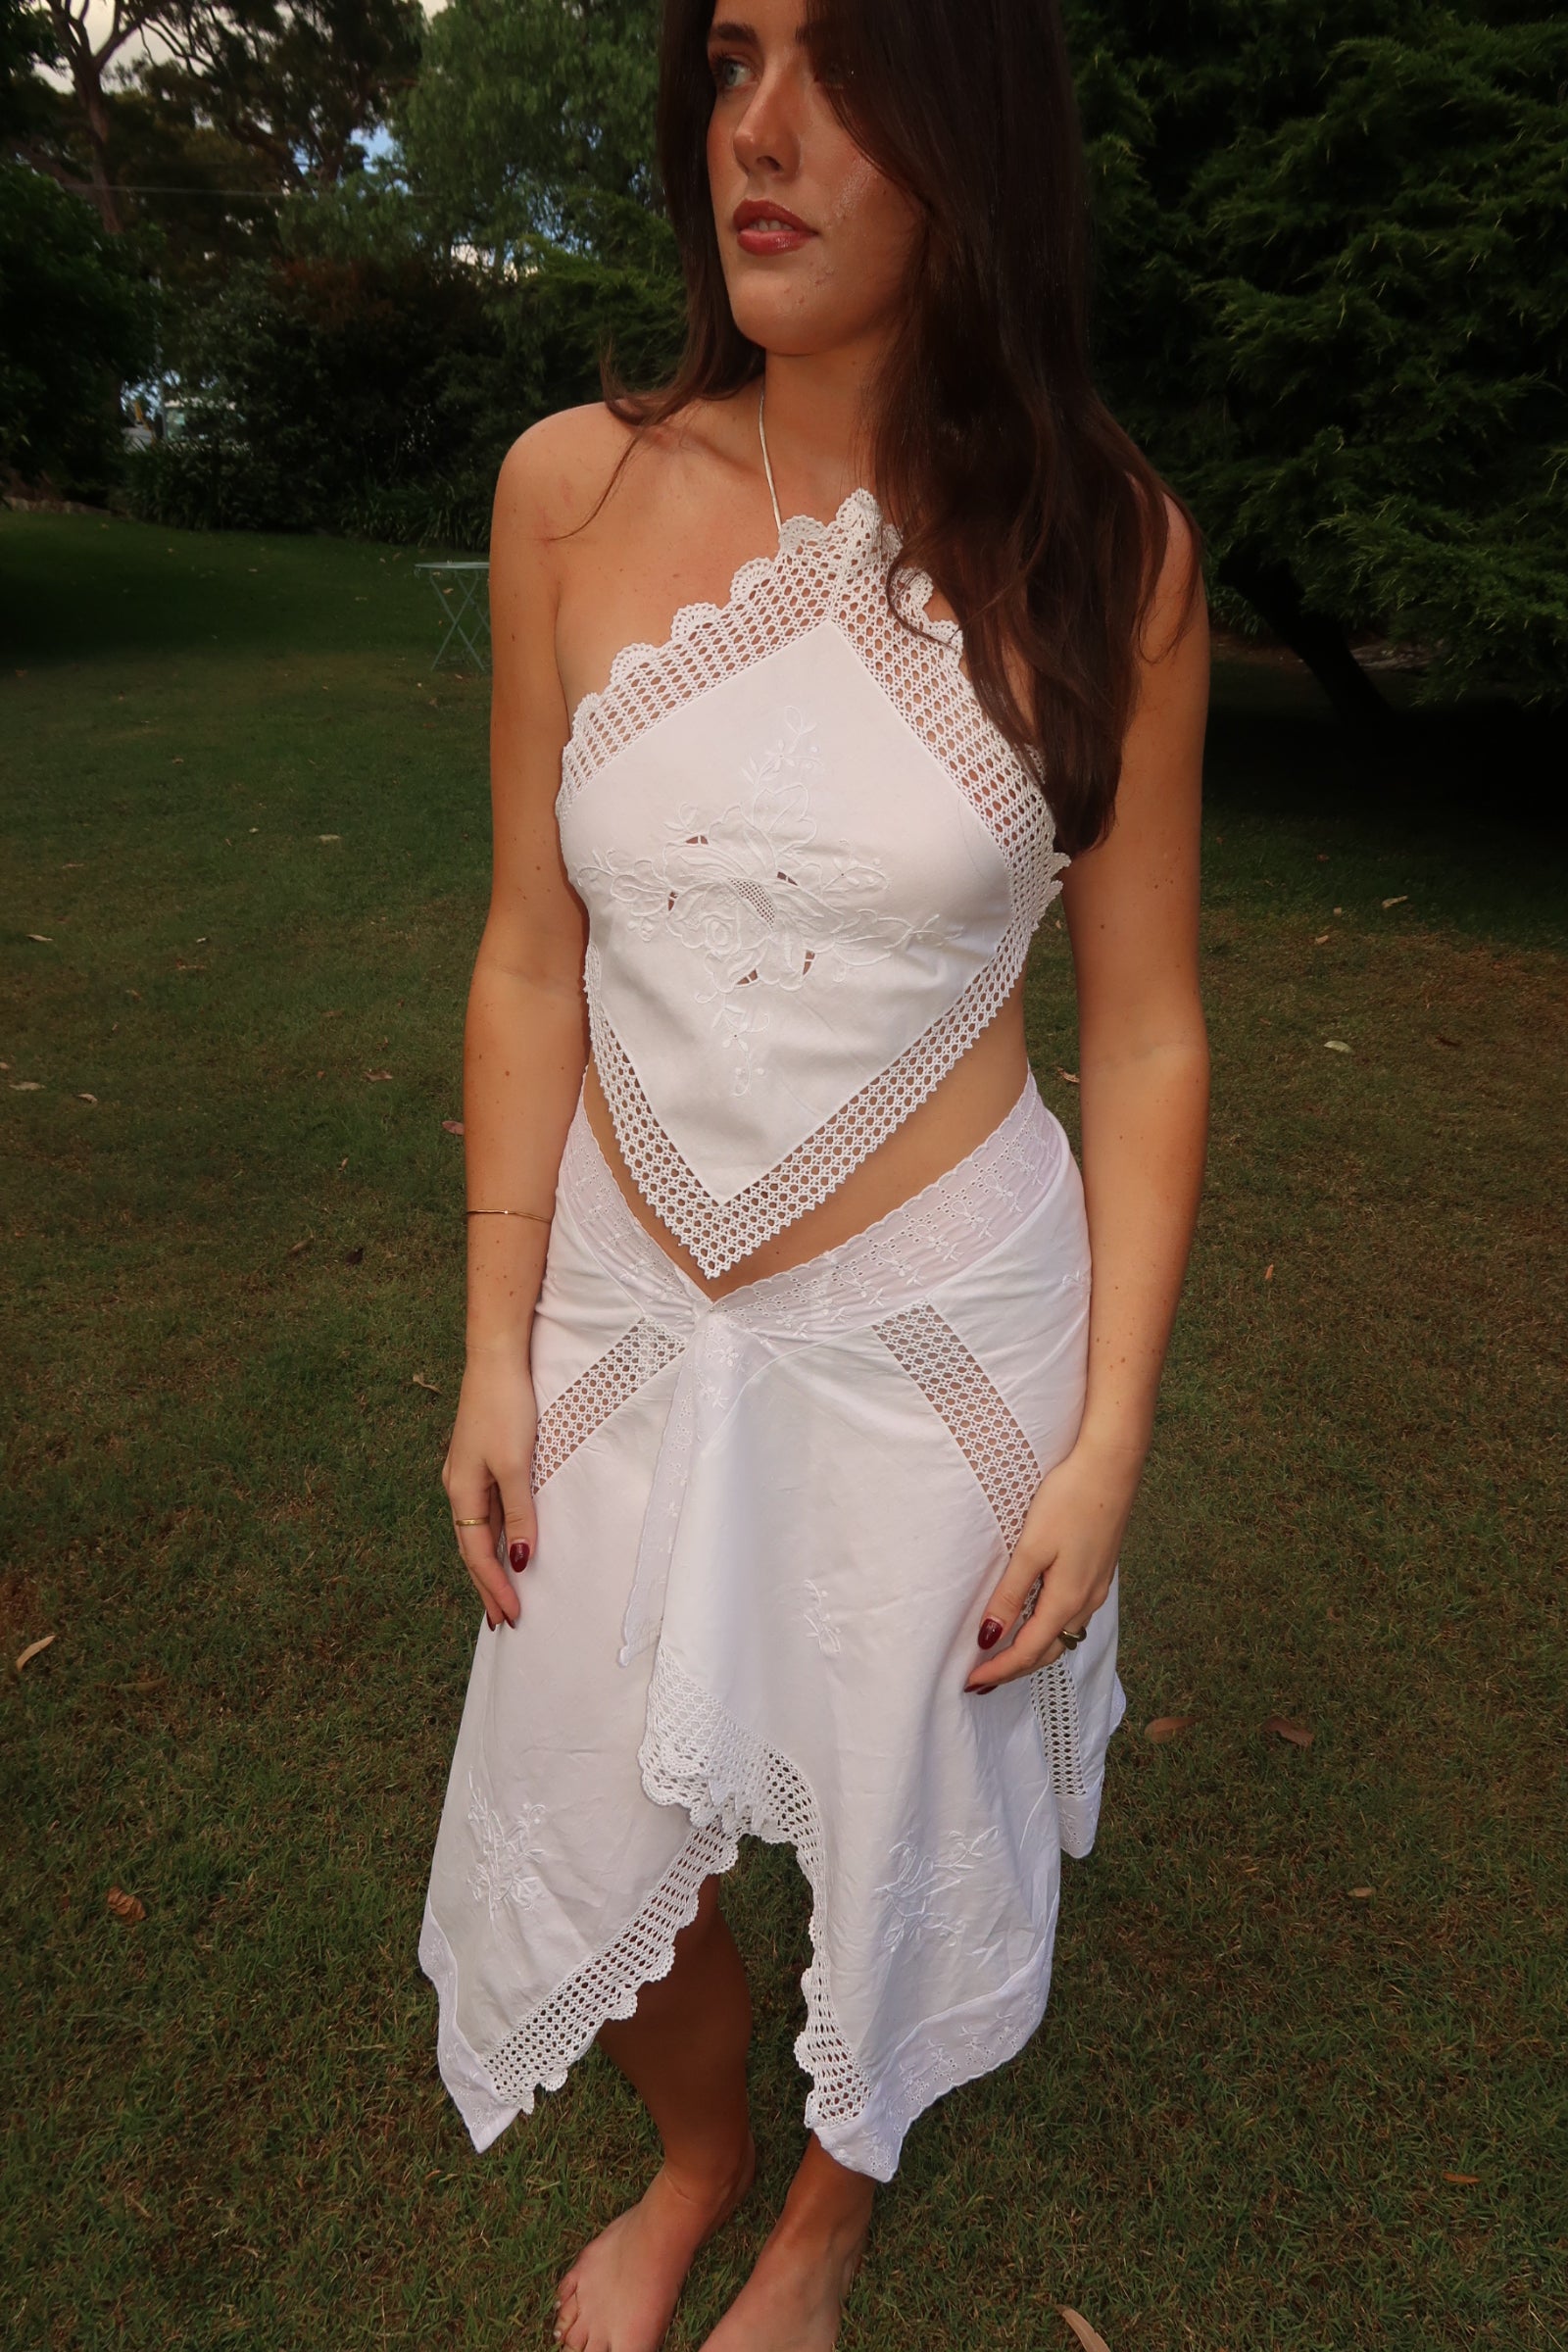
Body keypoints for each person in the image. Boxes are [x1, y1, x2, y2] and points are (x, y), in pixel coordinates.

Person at [420, 0, 1209, 2344]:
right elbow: (527, 954)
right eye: (730, 58)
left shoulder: (1105, 550)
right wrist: (488, 1340)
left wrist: (1110, 1437)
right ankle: (697, 2153)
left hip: (939, 1349)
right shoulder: (566, 491)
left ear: (972, 129)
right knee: (589, 1779)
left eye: (835, 69)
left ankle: (822, 2222)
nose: (752, 131)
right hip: (618, 1320)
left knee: (901, 1808)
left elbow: (1143, 1030)